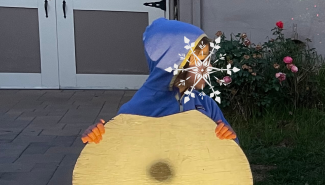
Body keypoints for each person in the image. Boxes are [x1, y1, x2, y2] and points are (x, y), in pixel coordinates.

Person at [81, 20, 236, 144]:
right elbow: (114, 159)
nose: (208, 66)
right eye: (202, 60)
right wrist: (97, 138)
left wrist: (228, 137)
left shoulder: (206, 105)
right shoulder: (134, 111)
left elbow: (232, 153)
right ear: (175, 63)